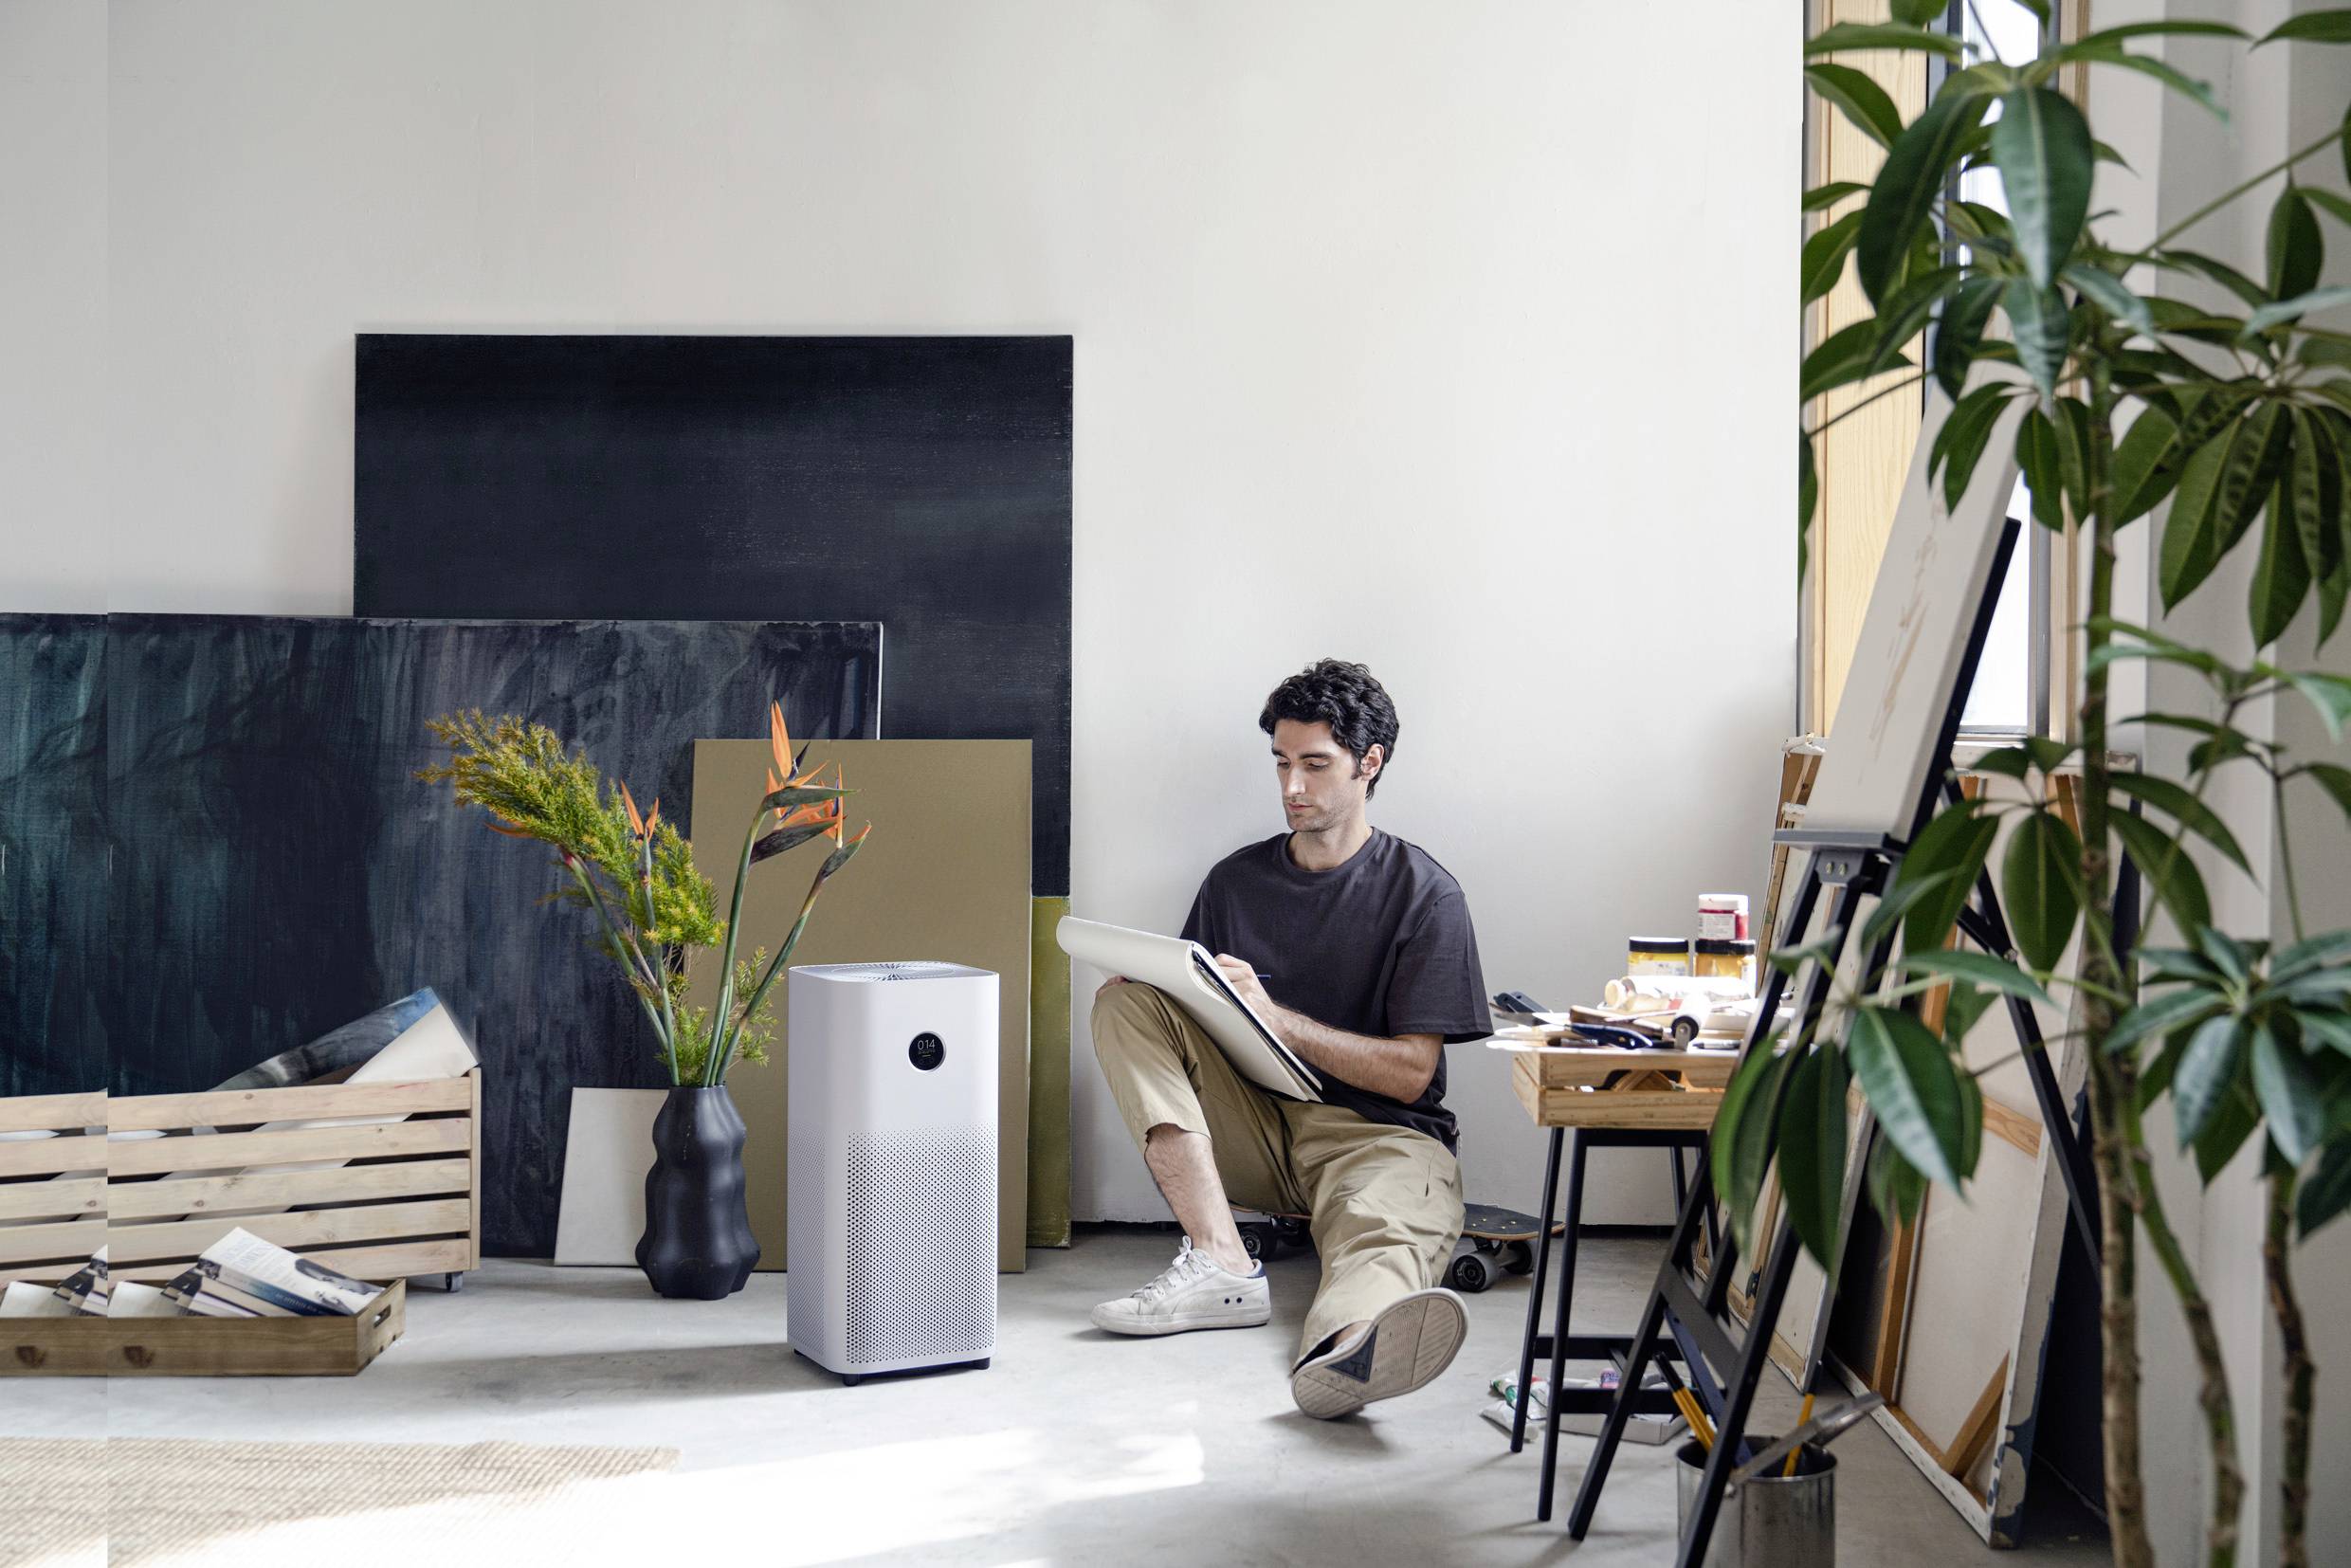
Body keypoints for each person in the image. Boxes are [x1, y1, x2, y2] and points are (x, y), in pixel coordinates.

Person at [1087, 658, 1489, 1418]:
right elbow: (1185, 1022)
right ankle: (1220, 1261)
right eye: (1281, 763)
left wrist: (1274, 1017)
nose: (1291, 787)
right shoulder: (1235, 883)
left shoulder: (1426, 894)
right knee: (1125, 1005)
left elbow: (1411, 1076)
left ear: (1369, 764)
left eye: (1314, 764)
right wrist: (1151, 997)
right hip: (1257, 1128)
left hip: (1380, 1139)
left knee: (1380, 1237)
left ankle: (1346, 1354)